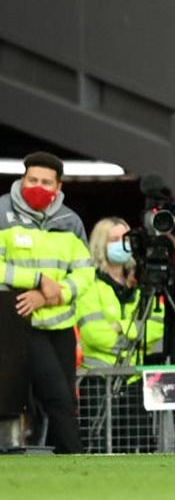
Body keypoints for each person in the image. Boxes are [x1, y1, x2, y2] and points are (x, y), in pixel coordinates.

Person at [0, 151, 90, 453]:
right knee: (55, 396)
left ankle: (60, 456)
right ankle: (74, 454)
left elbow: (85, 272)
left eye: (46, 182)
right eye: (33, 179)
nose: (38, 186)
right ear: (22, 179)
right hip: (18, 323)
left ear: (58, 186)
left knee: (65, 396)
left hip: (60, 323)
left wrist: (56, 293)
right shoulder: (2, 212)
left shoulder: (71, 221)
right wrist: (37, 280)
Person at [74, 217, 163, 453]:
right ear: (101, 244)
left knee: (140, 447)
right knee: (98, 448)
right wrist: (135, 335)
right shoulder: (89, 283)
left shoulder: (143, 283)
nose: (121, 245)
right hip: (99, 379)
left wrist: (121, 327)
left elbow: (158, 326)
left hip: (134, 381)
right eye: (114, 240)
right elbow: (93, 333)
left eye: (125, 239)